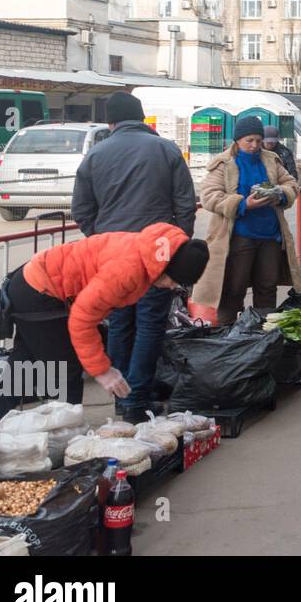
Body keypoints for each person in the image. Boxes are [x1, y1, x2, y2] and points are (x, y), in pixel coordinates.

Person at [0, 224, 209, 423]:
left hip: (34, 286)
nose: (170, 287)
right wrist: (103, 371)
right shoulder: (127, 270)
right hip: (40, 294)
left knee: (22, 372)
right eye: (172, 281)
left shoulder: (151, 251)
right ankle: (67, 444)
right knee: (66, 372)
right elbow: (82, 320)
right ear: (164, 267)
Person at [71, 90, 196, 418]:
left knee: (120, 324)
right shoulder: (166, 149)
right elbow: (185, 204)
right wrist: (177, 247)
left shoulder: (95, 155)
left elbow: (82, 209)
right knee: (150, 325)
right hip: (157, 254)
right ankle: (135, 400)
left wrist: (98, 240)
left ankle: (122, 396)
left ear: (111, 121)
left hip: (111, 256)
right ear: (141, 118)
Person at [191, 116, 301, 326]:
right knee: (233, 288)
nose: (254, 146)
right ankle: (226, 334)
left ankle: (261, 333)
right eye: (249, 141)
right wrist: (243, 205)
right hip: (239, 237)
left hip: (270, 236)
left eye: (258, 141)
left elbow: (291, 183)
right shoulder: (224, 164)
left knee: (267, 286)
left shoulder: (271, 159)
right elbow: (209, 196)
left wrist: (279, 195)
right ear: (237, 141)